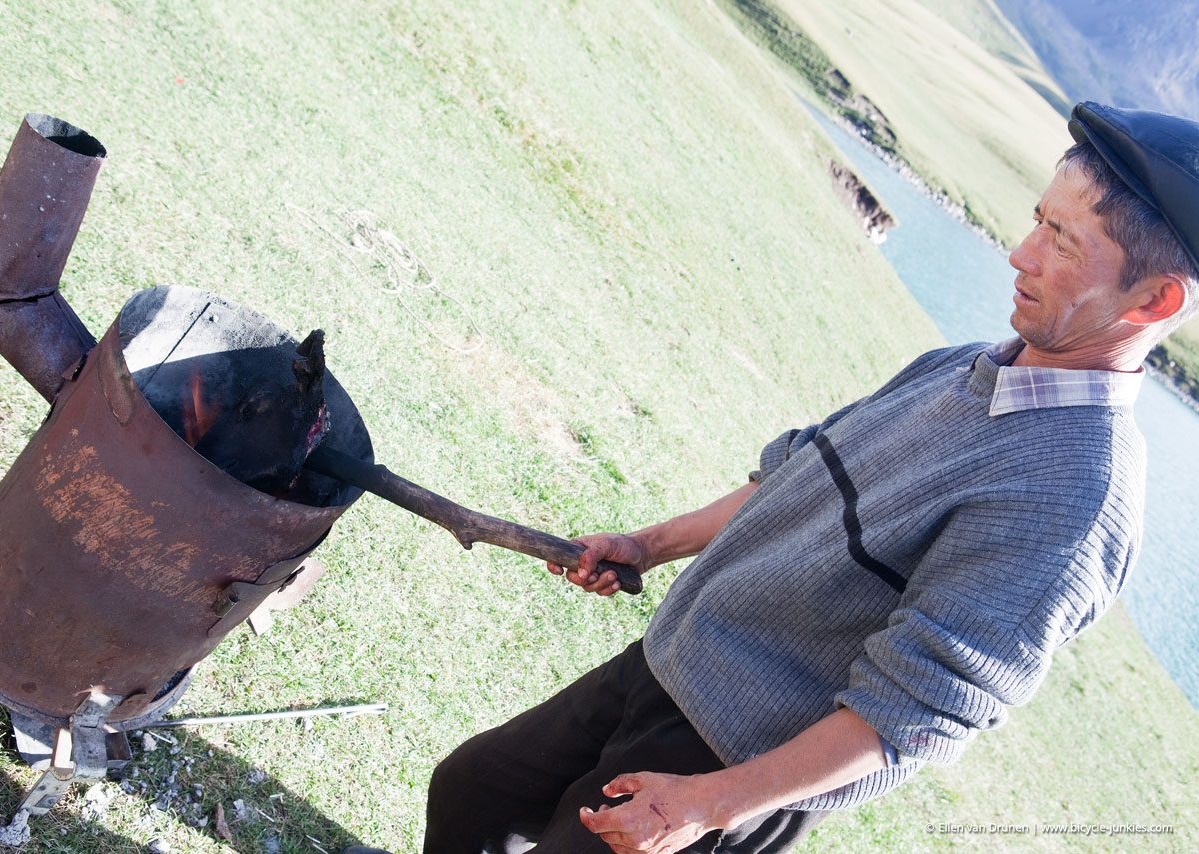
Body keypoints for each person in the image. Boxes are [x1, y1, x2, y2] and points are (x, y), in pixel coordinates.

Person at [422, 102, 1199, 854]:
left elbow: (912, 718)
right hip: (668, 662)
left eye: (1062, 242)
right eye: (1038, 217)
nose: (1020, 252)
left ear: (1155, 299)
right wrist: (647, 544)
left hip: (730, 760)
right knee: (472, 789)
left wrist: (707, 806)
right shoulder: (962, 366)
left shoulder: (1074, 497)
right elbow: (797, 471)